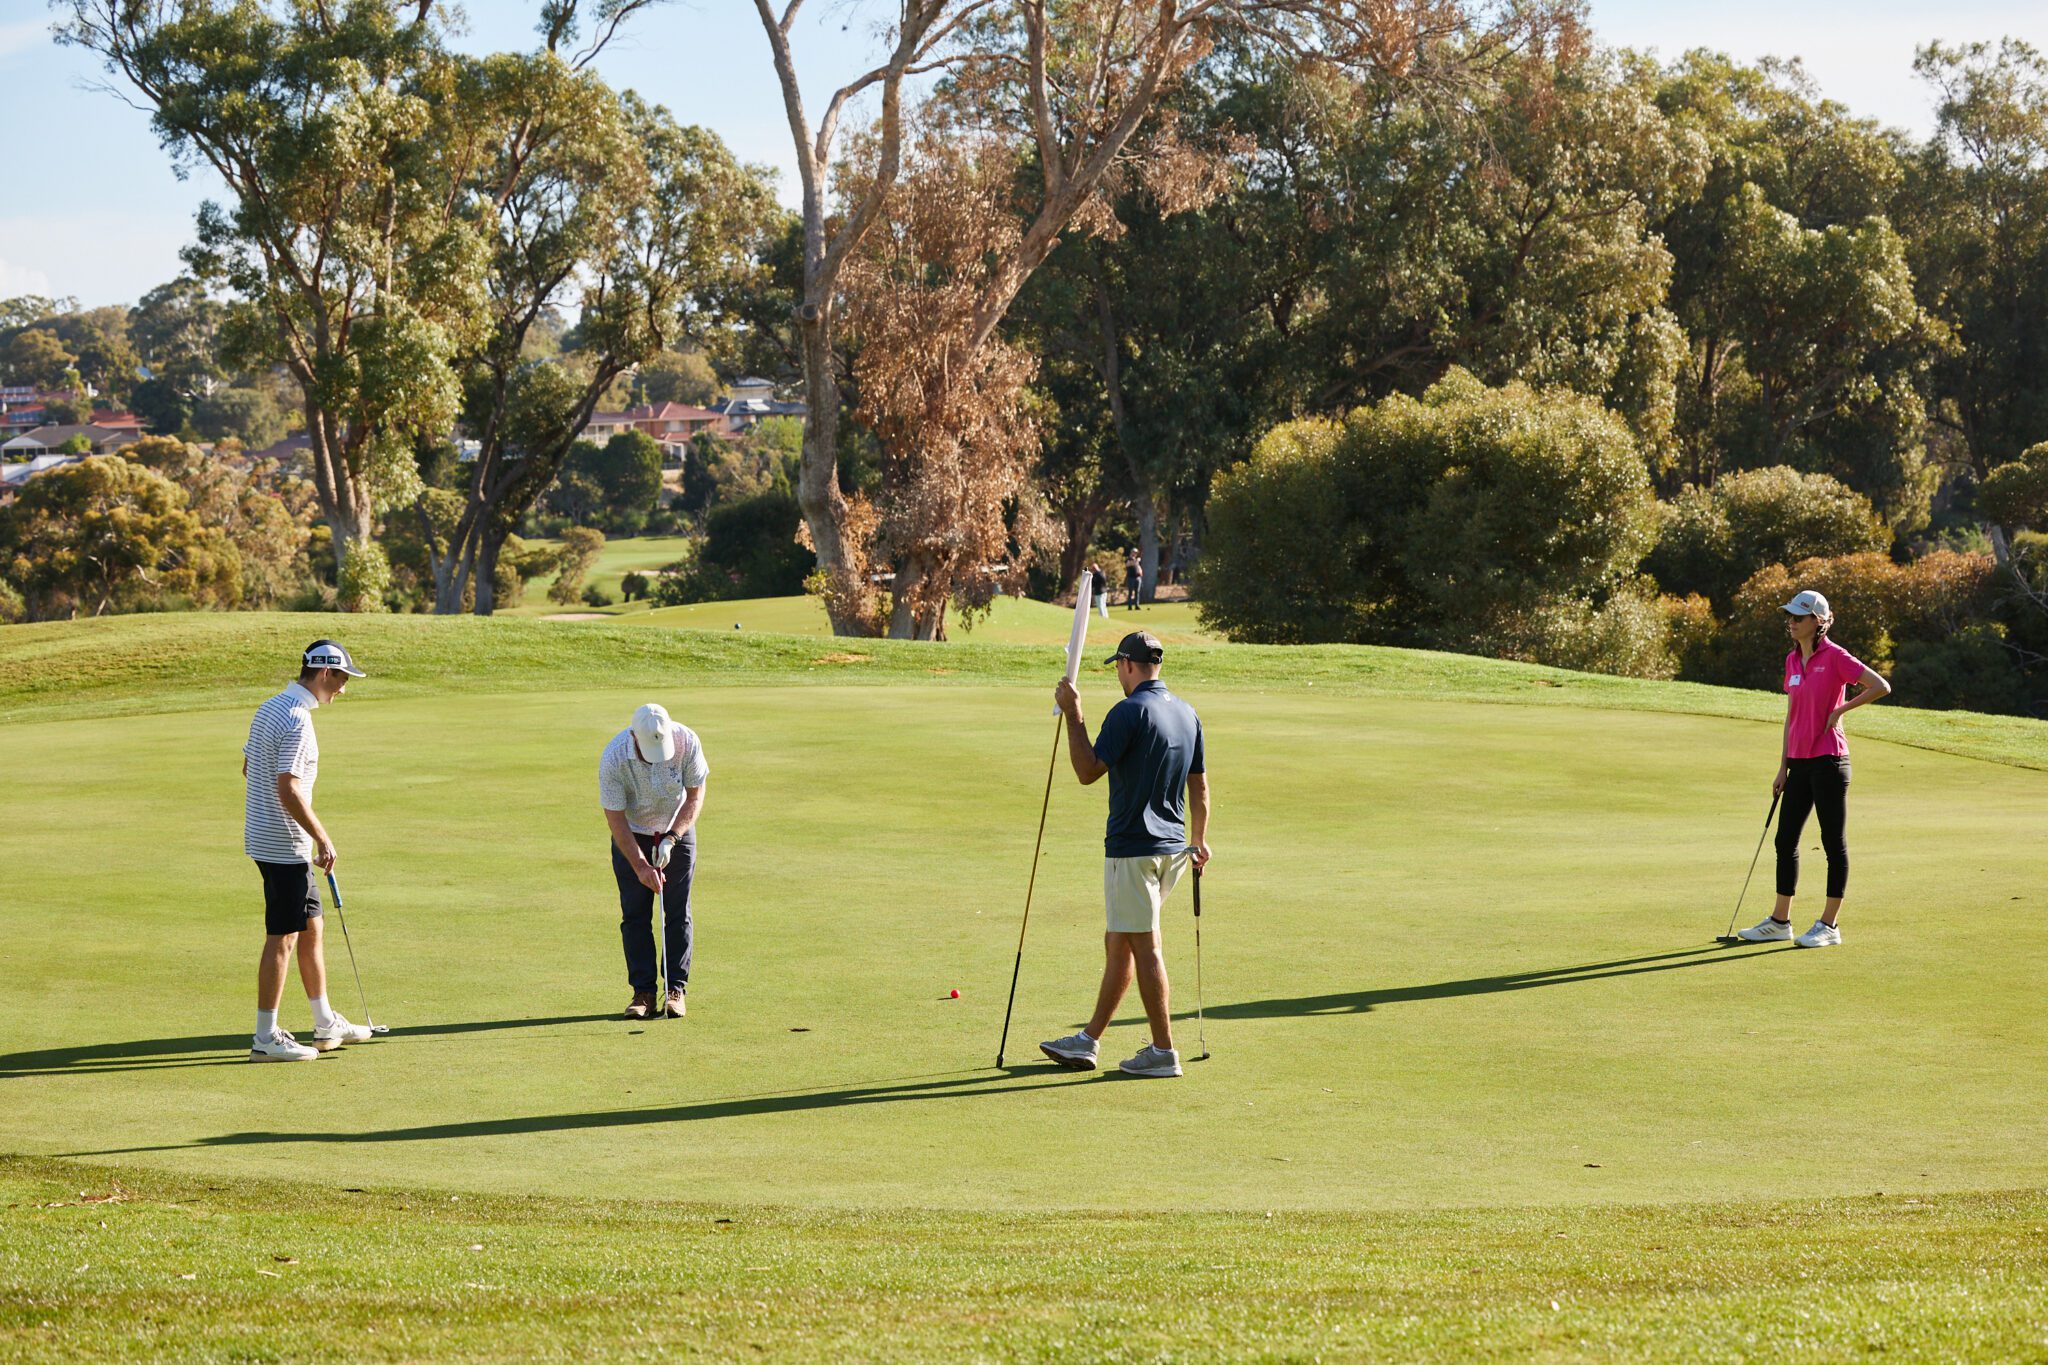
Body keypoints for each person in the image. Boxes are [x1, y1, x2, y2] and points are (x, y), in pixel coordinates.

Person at [1040, 630, 1211, 1077]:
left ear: (1128, 664)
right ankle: (1088, 1040)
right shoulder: (1187, 713)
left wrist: (1074, 714)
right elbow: (1199, 785)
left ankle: (1163, 1051)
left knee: (1145, 946)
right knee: (1120, 942)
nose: (1118, 673)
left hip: (1134, 851)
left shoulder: (1129, 711)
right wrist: (1199, 839)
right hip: (1173, 851)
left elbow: (1087, 771)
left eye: (1118, 665)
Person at [242, 640, 378, 1061]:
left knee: (312, 926)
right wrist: (322, 837)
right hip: (284, 846)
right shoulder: (298, 719)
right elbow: (288, 787)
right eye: (342, 679)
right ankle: (265, 1037)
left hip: (269, 839)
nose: (343, 688)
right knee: (282, 937)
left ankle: (325, 1021)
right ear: (323, 673)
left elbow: (249, 766)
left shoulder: (270, 706)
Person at [1737, 589, 1892, 948]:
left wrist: (1840, 711)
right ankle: (1780, 921)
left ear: (1817, 621)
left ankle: (1829, 925)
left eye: (1798, 617)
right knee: (1785, 839)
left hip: (1829, 761)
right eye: (1789, 616)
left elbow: (1880, 686)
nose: (1791, 622)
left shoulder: (1836, 656)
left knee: (1832, 842)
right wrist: (1782, 767)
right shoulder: (1792, 660)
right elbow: (1791, 716)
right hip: (1799, 764)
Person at [600, 702, 709, 1018]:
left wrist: (673, 838)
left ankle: (675, 989)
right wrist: (640, 866)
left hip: (677, 829)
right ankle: (643, 993)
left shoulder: (687, 741)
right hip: (632, 832)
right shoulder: (614, 757)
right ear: (634, 736)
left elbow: (695, 795)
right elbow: (616, 818)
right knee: (635, 914)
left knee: (677, 910)